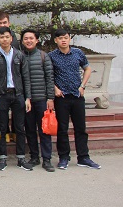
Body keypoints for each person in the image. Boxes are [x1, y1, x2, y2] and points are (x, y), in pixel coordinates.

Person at [49, 28, 100, 170]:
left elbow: (87, 68)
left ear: (70, 38)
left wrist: (83, 86)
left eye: (66, 37)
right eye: (60, 38)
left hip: (77, 96)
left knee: (80, 128)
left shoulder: (78, 53)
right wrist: (55, 88)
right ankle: (64, 157)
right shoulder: (51, 56)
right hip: (62, 97)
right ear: (56, 40)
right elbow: (48, 75)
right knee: (62, 129)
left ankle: (83, 157)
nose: (63, 40)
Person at [0, 26, 33, 171]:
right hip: (1, 95)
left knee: (19, 127)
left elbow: (26, 78)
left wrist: (28, 98)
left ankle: (21, 158)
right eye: (2, 37)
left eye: (7, 37)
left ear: (11, 38)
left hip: (18, 94)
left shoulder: (19, 55)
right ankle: (2, 158)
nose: (5, 39)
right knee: (2, 127)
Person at [21, 28, 55, 172]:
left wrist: (50, 97)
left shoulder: (43, 56)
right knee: (29, 129)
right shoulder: (19, 56)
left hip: (42, 99)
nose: (28, 41)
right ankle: (34, 156)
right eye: (26, 38)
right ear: (22, 41)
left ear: (37, 40)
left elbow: (50, 78)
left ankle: (47, 159)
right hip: (26, 101)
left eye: (31, 38)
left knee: (44, 130)